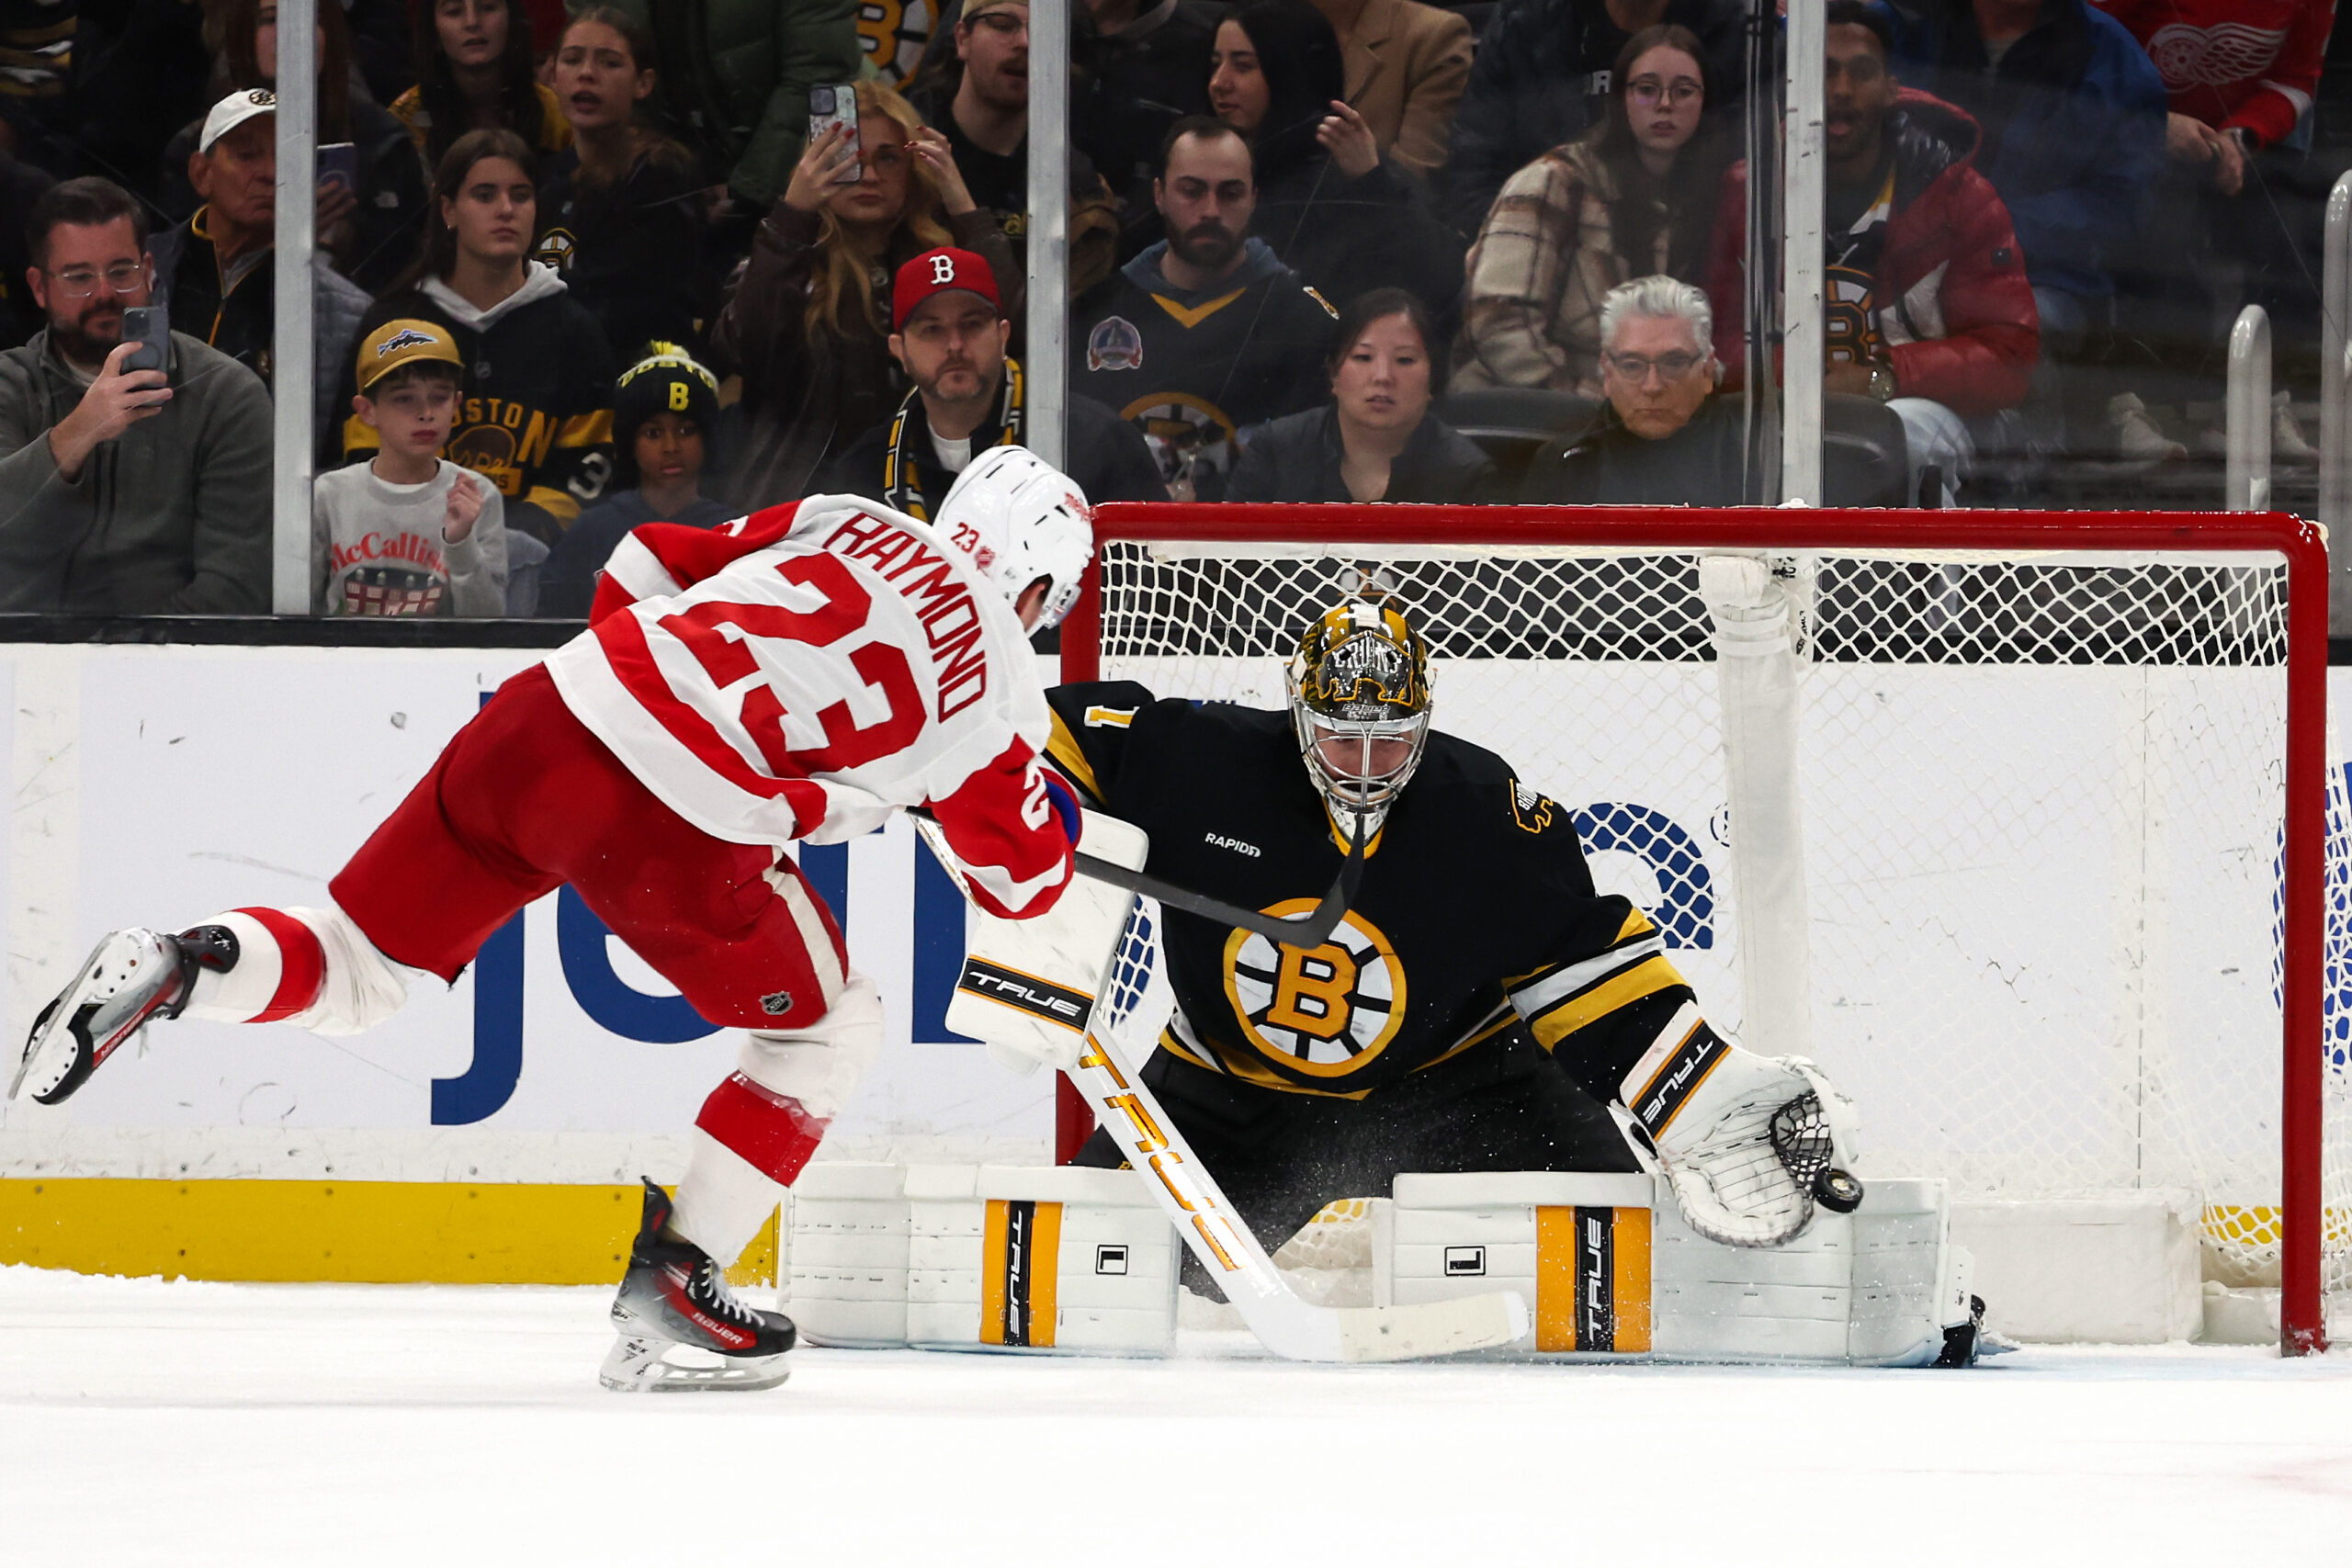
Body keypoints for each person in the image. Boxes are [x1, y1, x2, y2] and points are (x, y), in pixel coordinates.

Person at [7, 446, 1098, 1395]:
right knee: (829, 1026)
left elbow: (647, 563)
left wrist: (642, 716)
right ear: (1037, 580)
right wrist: (1025, 808)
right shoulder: (1002, 694)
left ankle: (179, 962)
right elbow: (1019, 885)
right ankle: (680, 1276)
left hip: (553, 706)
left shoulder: (851, 518)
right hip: (679, 816)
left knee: (356, 965)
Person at [1048, 596, 1866, 1281]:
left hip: (1462, 1088)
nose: (1366, 765)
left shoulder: (1482, 812)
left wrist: (1701, 1088)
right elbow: (1047, 732)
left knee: (1625, 1268)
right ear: (1298, 714)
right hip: (1229, 1093)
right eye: (1342, 737)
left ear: (1425, 718)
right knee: (1085, 1273)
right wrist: (992, 794)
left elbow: (1584, 969)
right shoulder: (1205, 760)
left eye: (1391, 739)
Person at [1703, 2, 2037, 505]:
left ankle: (1917, 585)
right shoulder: (1747, 194)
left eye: (1861, 72)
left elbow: (2010, 355)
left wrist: (1884, 376)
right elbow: (1711, 344)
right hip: (1783, 402)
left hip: (1919, 406)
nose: (1840, 91)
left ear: (1890, 87)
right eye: (1824, 70)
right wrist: (1796, 375)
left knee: (1892, 441)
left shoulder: (1958, 195)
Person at [712, 79, 1012, 506]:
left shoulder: (942, 265)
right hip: (798, 509)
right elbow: (743, 347)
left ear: (915, 168)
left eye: (888, 158)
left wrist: (962, 203)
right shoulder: (781, 261)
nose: (869, 175)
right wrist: (793, 215)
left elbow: (1014, 336)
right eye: (848, 159)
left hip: (930, 504)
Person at [0, 176, 272, 614]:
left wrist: (127, 659)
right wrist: (77, 433)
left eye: (121, 271)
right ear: (38, 287)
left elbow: (238, 586)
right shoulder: (9, 387)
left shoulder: (226, 395)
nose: (104, 293)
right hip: (23, 659)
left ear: (149, 270)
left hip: (171, 663)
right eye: (79, 277)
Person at [346, 130, 616, 547]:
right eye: (485, 195)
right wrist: (427, 532)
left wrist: (513, 538)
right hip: (405, 553)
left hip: (534, 563)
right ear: (449, 210)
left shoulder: (575, 330)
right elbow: (360, 448)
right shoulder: (394, 322)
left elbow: (591, 462)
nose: (506, 209)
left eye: (521, 195)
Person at [1070, 118, 1340, 500]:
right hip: (1117, 553)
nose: (1211, 210)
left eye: (1230, 193)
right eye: (1191, 191)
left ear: (1254, 199)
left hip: (1251, 554)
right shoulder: (1092, 313)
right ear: (1160, 195)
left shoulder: (1305, 323)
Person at [1454, 24, 1727, 395]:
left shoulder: (1702, 197)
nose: (1665, 104)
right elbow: (1498, 323)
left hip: (1639, 412)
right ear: (1619, 98)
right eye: (1647, 90)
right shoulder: (1554, 181)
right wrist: (1585, 401)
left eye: (1683, 92)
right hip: (1527, 413)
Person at [824, 247, 1166, 520]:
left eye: (971, 324)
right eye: (932, 329)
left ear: (1003, 336)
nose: (955, 345)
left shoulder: (1096, 442)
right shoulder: (862, 473)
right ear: (900, 351)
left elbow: (1158, 579)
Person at [1204, 0, 1464, 333]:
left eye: (1242, 66)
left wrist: (1373, 183)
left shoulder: (1352, 177)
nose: (1219, 82)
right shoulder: (1198, 162)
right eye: (1215, 64)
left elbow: (1439, 278)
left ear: (1288, 73)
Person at [150, 89, 371, 456]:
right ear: (201, 173)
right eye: (247, 155)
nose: (270, 173)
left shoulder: (347, 313)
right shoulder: (137, 272)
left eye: (287, 156)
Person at [175, 0, 431, 294]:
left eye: (313, 20)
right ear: (243, 34)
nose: (295, 34)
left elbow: (408, 270)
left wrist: (352, 234)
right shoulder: (193, 149)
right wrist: (282, 235)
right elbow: (185, 272)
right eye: (271, 20)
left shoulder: (384, 144)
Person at [1442, 0, 1749, 235]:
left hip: (1683, 265)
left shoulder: (1734, 33)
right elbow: (1472, 172)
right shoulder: (1524, 24)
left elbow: (1739, 185)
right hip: (1543, 248)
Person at [903, 0, 1123, 294]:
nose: (1025, 42)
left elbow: (1047, 333)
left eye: (1045, 30)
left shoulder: (1078, 193)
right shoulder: (896, 157)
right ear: (962, 38)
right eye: (1002, 25)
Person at [533, 7, 708, 362]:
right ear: (552, 75)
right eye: (572, 60)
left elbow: (630, 311)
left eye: (609, 63)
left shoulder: (661, 176)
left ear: (643, 83)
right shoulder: (546, 177)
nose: (586, 74)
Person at [585, 0, 866, 213]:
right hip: (651, 182)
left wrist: (748, 192)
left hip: (777, 188)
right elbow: (596, 69)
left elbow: (819, 75)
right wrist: (638, 177)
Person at [314, 317, 510, 617]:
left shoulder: (478, 494)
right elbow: (299, 614)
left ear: (456, 405)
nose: (426, 413)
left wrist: (460, 543)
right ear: (367, 410)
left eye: (440, 397)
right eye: (404, 399)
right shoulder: (328, 495)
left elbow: (489, 627)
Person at [1228, 287, 1493, 502]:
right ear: (1334, 374)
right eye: (1363, 357)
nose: (1382, 376)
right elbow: (1229, 561)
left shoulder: (1464, 471)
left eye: (1404, 360)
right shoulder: (1275, 451)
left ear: (1432, 380)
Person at [537, 342, 737, 618]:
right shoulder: (591, 531)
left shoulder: (735, 533)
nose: (671, 447)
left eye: (686, 430)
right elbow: (549, 628)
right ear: (629, 442)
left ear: (708, 439)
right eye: (653, 433)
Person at [1518, 274, 1742, 502]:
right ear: (1607, 373)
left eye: (1674, 363)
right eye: (1632, 366)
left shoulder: (1753, 453)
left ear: (1707, 371)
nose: (1653, 386)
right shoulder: (1568, 462)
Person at [1304, 0, 1474, 181]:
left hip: (1363, 202)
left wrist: (1370, 173)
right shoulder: (1277, 26)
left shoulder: (1434, 36)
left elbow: (1417, 184)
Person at [390, 0, 572, 168]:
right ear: (434, 32)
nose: (472, 22)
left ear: (511, 21)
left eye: (487, 7)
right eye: (454, 12)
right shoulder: (406, 117)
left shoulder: (552, 112)